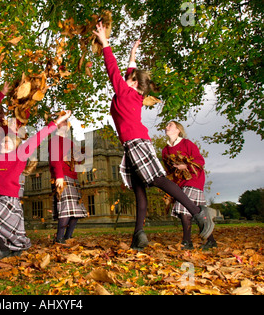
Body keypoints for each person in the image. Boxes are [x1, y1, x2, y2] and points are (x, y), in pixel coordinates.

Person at [93, 22, 214, 250]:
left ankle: (199, 214)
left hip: (137, 142)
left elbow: (113, 71)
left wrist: (105, 43)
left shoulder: (126, 93)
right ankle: (139, 235)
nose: (125, 79)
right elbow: (129, 73)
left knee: (157, 179)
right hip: (131, 146)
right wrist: (133, 54)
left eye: (130, 78)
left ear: (134, 84)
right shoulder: (133, 94)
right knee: (139, 191)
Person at [0, 111, 72, 258]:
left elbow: (38, 137)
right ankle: (2, 246)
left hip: (8, 201)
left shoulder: (19, 155)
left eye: (7, 142)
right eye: (2, 141)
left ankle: (2, 248)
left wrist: (58, 120)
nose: (3, 143)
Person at [162, 121, 217, 250]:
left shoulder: (187, 144)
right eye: (166, 126)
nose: (166, 127)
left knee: (183, 208)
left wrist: (185, 166)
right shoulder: (165, 150)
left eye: (170, 125)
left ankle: (187, 241)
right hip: (180, 182)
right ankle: (211, 241)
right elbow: (169, 171)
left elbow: (200, 161)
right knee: (194, 211)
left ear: (178, 130)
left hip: (193, 178)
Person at [49, 113, 87, 243]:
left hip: (73, 178)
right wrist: (59, 176)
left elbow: (79, 160)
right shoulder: (54, 140)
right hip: (61, 177)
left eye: (67, 122)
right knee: (65, 210)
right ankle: (59, 238)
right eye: (62, 122)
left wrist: (84, 153)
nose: (65, 124)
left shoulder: (71, 142)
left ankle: (68, 236)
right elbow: (55, 160)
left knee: (76, 211)